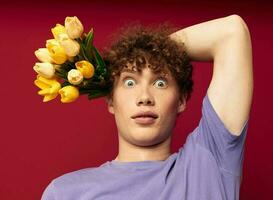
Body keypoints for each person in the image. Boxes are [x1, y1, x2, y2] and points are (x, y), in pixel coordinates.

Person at [41, 14, 253, 200]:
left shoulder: (209, 165)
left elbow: (231, 32)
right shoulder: (65, 193)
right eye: (130, 82)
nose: (144, 97)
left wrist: (155, 49)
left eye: (160, 83)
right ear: (111, 100)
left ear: (181, 100)